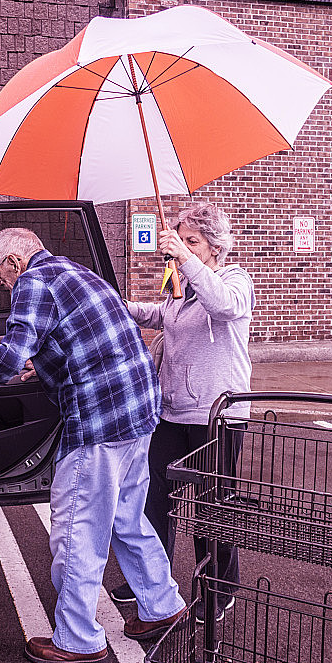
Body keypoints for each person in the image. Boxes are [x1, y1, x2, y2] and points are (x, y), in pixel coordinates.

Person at [0, 228, 185, 663]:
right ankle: (162, 605)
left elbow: (12, 349)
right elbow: (78, 335)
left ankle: (78, 639)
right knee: (127, 515)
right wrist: (42, 366)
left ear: (14, 262)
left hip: (99, 419)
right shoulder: (74, 270)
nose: (3, 282)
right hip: (139, 408)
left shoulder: (33, 281)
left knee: (75, 530)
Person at [110, 202, 255, 623]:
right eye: (182, 240)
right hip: (172, 412)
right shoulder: (182, 282)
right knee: (154, 500)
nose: (183, 248)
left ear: (214, 245)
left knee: (213, 505)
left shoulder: (234, 281)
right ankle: (150, 580)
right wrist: (124, 306)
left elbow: (224, 306)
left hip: (216, 415)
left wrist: (186, 258)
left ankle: (219, 588)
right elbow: (164, 315)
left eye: (193, 241)